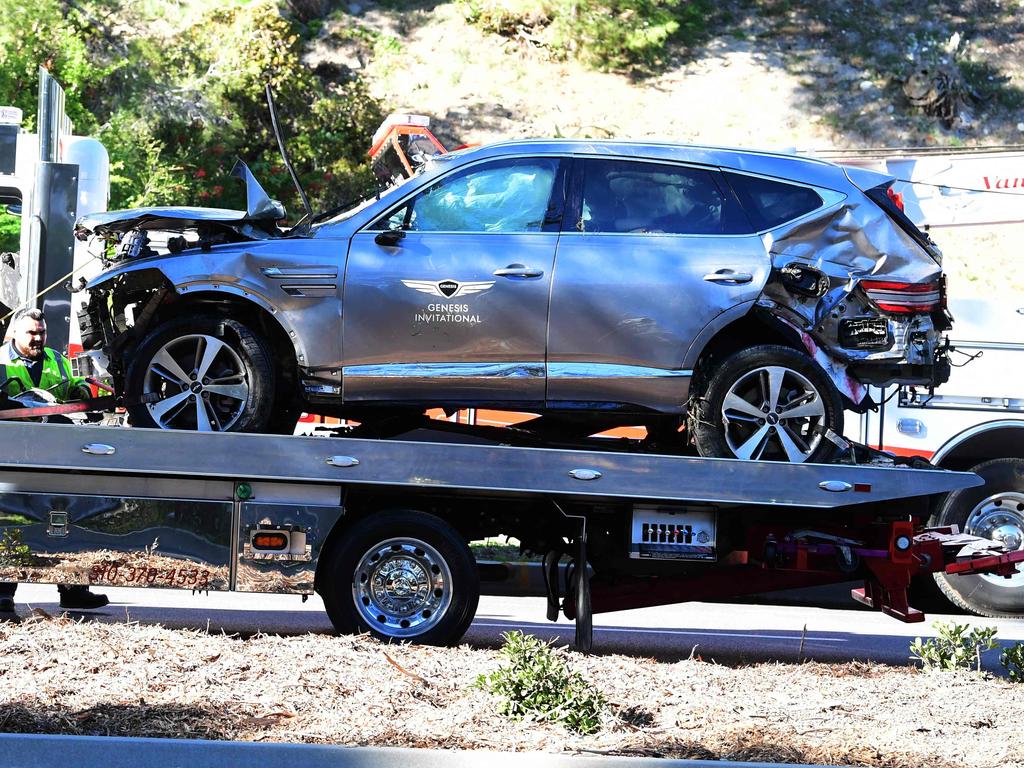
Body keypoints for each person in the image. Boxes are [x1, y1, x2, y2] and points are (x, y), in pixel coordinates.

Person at [0, 308, 109, 614]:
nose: (38, 338)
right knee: (13, 521)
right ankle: (3, 593)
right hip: (15, 455)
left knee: (66, 518)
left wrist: (86, 391)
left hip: (56, 452)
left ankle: (74, 591)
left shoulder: (58, 360)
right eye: (32, 333)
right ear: (14, 334)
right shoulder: (0, 361)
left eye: (42, 333)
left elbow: (82, 386)